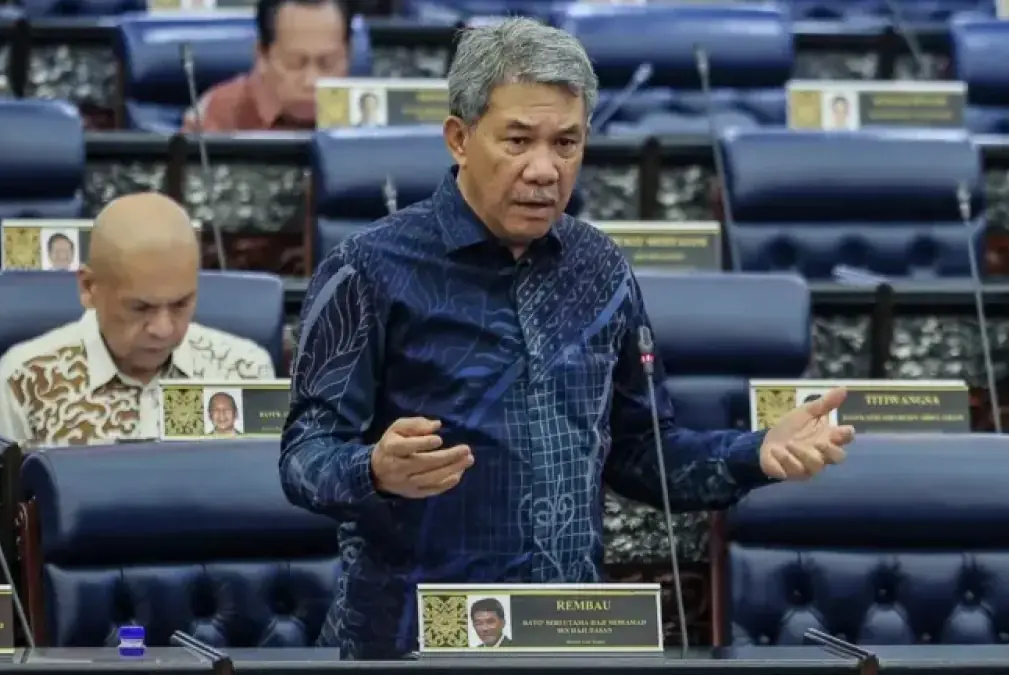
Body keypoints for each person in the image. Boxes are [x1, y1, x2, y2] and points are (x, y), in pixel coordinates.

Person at [280, 18, 855, 660]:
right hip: (411, 641)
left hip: (567, 633)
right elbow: (303, 457)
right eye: (518, 140)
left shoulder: (601, 270)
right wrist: (374, 470)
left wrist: (757, 452)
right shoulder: (369, 268)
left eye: (566, 143)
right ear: (460, 138)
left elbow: (640, 452)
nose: (544, 169)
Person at [0, 192, 275, 447]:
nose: (163, 329)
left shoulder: (243, 370)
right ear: (89, 287)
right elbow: (2, 492)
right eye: (140, 308)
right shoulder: (25, 379)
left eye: (180, 304)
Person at [181, 0, 352, 132]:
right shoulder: (219, 114)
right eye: (294, 63)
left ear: (348, 55)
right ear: (261, 55)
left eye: (327, 63)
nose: (311, 81)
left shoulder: (364, 113)